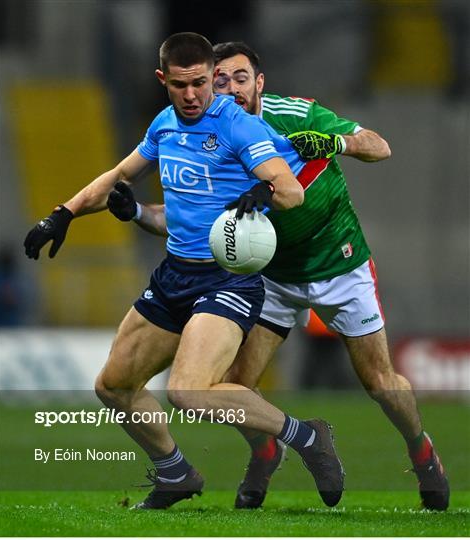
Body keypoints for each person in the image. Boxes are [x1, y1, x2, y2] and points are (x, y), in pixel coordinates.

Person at [114, 41, 449, 512]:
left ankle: (421, 450)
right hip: (269, 274)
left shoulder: (296, 115)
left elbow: (381, 146)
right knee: (234, 383)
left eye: (240, 78)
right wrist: (138, 214)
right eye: (222, 80)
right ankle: (265, 451)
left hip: (339, 264)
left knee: (378, 381)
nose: (230, 89)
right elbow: (197, 221)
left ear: (260, 83)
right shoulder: (216, 133)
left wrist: (338, 143)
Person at [23, 33, 345, 510]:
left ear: (211, 80)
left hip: (229, 279)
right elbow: (117, 177)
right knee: (112, 386)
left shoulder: (238, 126)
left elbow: (291, 189)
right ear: (163, 81)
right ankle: (176, 475)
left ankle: (307, 437)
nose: (192, 95)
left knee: (188, 391)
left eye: (200, 84)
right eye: (180, 85)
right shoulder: (164, 125)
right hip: (174, 274)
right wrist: (63, 214)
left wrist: (266, 191)